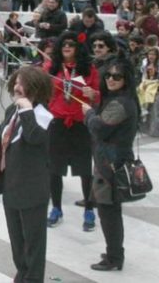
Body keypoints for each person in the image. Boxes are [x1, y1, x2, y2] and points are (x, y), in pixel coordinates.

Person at [0, 66, 53, 283]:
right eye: (16, 82)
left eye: (22, 83)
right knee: (17, 243)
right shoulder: (15, 111)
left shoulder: (42, 116)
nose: (16, 87)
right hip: (11, 186)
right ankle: (22, 275)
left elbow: (33, 138)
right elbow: (8, 139)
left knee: (33, 244)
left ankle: (32, 279)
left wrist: (27, 110)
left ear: (35, 88)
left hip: (32, 190)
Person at [81, 58, 139, 271]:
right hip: (108, 162)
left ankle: (115, 257)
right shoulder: (118, 99)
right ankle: (114, 252)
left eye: (117, 76)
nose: (111, 79)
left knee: (108, 211)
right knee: (109, 210)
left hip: (111, 165)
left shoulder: (121, 103)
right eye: (108, 76)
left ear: (126, 79)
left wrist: (88, 113)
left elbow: (99, 126)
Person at [44, 31, 100, 231]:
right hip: (58, 123)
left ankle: (89, 208)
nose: (67, 47)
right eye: (63, 44)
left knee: (85, 169)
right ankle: (56, 208)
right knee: (54, 169)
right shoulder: (52, 68)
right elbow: (43, 92)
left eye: (71, 44)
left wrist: (93, 93)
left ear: (78, 48)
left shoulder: (89, 70)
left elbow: (99, 96)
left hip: (80, 124)